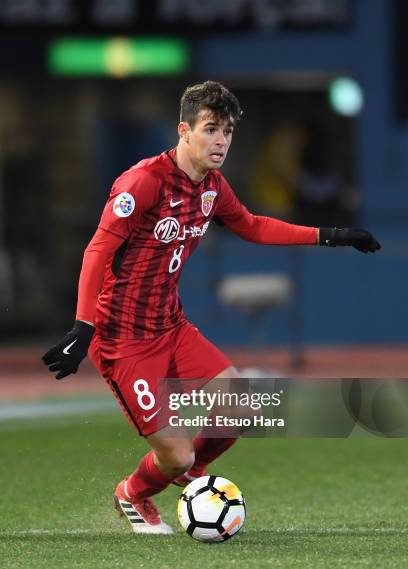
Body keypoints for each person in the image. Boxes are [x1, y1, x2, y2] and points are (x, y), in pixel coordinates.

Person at [42, 81, 380, 535]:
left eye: (228, 131)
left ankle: (188, 474)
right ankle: (134, 493)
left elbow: (255, 227)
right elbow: (98, 250)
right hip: (123, 340)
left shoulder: (212, 187)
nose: (221, 140)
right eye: (210, 129)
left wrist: (332, 235)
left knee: (241, 406)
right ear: (184, 130)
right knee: (176, 454)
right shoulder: (143, 182)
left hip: (171, 326)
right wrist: (82, 329)